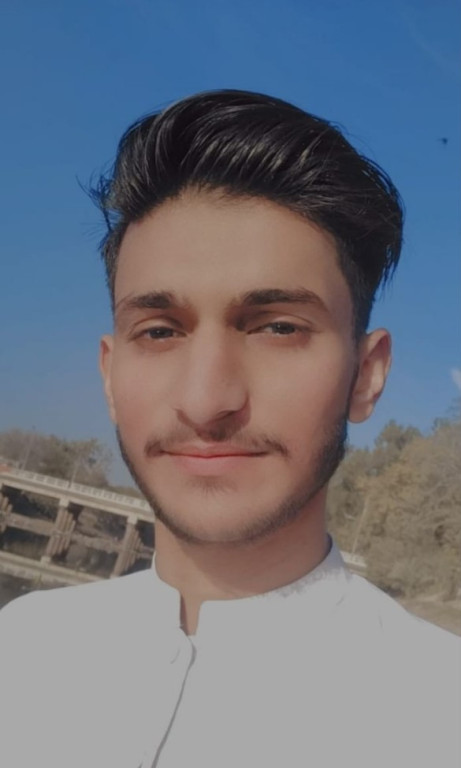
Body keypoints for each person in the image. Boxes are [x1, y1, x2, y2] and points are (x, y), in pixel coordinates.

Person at [0, 89, 459, 768]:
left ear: (366, 375)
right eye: (159, 331)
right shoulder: (20, 648)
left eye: (278, 328)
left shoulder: (440, 719)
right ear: (109, 375)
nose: (205, 400)